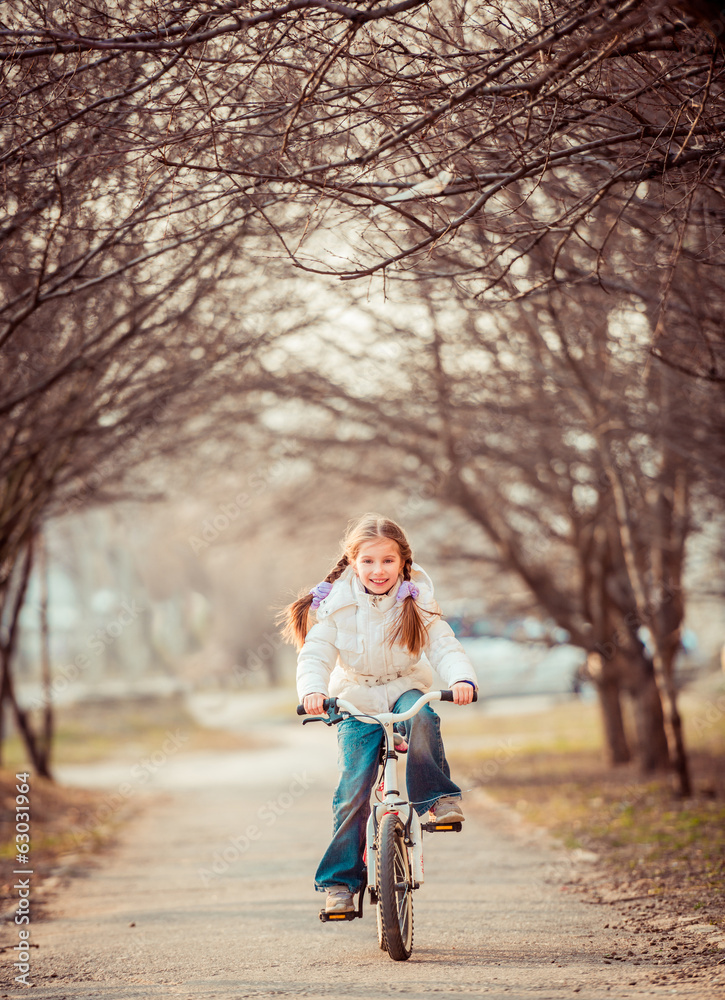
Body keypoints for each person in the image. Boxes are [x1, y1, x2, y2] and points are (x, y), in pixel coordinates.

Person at [280, 512, 478, 915]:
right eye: (368, 561)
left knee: (422, 717)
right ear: (353, 563)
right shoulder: (336, 604)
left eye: (388, 561)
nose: (378, 570)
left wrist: (461, 680)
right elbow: (315, 654)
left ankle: (437, 800)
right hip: (356, 697)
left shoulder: (417, 600)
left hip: (406, 687)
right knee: (353, 790)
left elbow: (444, 645)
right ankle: (340, 883)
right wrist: (314, 692)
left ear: (403, 561)